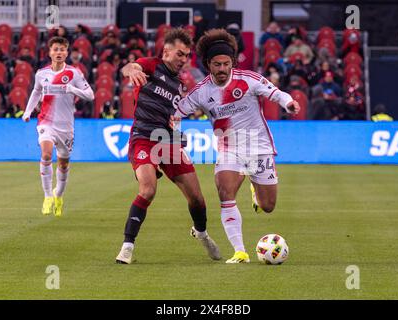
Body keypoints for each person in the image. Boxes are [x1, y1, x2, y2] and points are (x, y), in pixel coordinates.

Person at [171, 29, 300, 263]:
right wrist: (175, 134)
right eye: (217, 64)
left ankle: (255, 190)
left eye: (226, 64)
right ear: (209, 64)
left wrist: (288, 102)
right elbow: (176, 112)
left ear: (232, 62)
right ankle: (240, 251)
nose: (222, 69)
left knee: (268, 206)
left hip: (258, 146)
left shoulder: (248, 79)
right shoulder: (201, 92)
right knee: (225, 192)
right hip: (229, 148)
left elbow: (275, 93)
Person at [115, 28, 221, 264]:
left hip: (168, 141)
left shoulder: (180, 84)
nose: (183, 60)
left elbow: (175, 114)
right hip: (143, 137)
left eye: (186, 56)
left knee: (197, 198)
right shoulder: (152, 65)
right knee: (148, 190)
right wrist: (131, 69)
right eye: (180, 54)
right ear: (166, 52)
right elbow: (131, 67)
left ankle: (201, 233)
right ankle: (127, 247)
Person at [22, 36, 94, 217]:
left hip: (66, 126)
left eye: (62, 49)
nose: (59, 52)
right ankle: (47, 196)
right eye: (56, 49)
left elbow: (90, 95)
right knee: (46, 154)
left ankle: (58, 196)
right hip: (46, 122)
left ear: (67, 52)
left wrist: (73, 89)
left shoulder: (74, 73)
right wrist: (27, 111)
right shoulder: (41, 74)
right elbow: (36, 91)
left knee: (63, 163)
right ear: (50, 52)